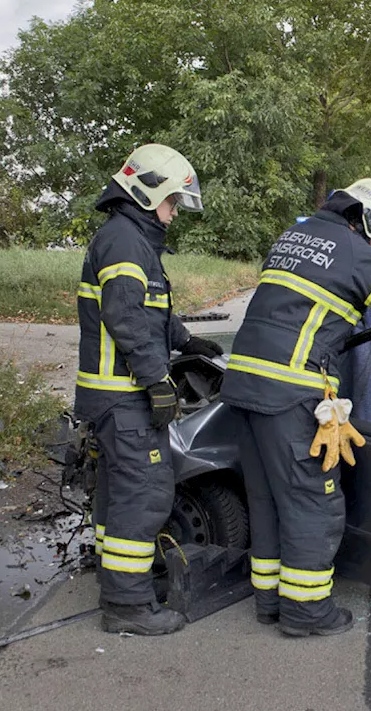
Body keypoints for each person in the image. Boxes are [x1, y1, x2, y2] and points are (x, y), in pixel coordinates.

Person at [219, 178, 371, 637]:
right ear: (368, 219)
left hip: (243, 387)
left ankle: (271, 603)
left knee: (268, 501)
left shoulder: (292, 237)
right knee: (314, 503)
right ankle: (307, 612)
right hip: (291, 393)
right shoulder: (356, 253)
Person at [76, 143, 224, 635]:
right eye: (172, 202)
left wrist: (184, 338)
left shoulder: (130, 239)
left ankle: (118, 580)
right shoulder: (125, 242)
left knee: (119, 495)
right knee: (144, 496)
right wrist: (157, 381)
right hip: (124, 398)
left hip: (111, 398)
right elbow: (125, 316)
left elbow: (148, 310)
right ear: (148, 192)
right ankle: (128, 607)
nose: (174, 213)